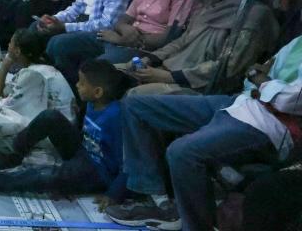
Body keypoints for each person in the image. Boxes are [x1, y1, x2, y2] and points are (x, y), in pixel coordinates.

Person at [104, 29, 302, 230]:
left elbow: (290, 99)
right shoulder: (296, 42)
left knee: (183, 152)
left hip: (268, 123)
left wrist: (262, 80)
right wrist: (261, 80)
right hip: (240, 103)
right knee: (136, 106)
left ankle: (196, 226)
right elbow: (251, 75)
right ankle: (158, 199)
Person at [0, 60, 130, 205]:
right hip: (84, 152)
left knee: (48, 176)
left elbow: (128, 163)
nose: (77, 85)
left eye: (82, 83)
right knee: (50, 117)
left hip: (98, 173)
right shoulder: (92, 103)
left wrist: (113, 195)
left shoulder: (116, 118)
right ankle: (15, 151)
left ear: (97, 91)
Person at [120, 0, 279, 96]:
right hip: (171, 70)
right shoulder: (209, 5)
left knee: (132, 94)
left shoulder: (253, 15)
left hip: (203, 87)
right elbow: (182, 41)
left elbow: (228, 67)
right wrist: (151, 59)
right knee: (112, 73)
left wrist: (170, 77)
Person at [0, 26, 76, 168]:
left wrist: (4, 68)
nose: (8, 45)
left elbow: (4, 103)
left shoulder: (34, 75)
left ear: (17, 50)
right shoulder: (36, 68)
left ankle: (15, 157)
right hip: (55, 128)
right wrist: (5, 66)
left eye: (10, 43)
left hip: (53, 137)